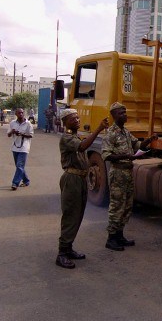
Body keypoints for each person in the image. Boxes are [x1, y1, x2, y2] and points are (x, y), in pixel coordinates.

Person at [55, 109, 109, 269]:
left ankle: (69, 247)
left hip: (80, 179)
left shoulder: (74, 136)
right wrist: (98, 129)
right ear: (65, 122)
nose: (77, 120)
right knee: (70, 215)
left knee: (77, 216)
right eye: (73, 118)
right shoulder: (66, 138)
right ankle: (62, 253)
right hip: (72, 180)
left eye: (78, 117)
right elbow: (83, 147)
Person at [102, 102, 158, 251]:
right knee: (117, 206)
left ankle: (120, 235)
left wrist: (148, 140)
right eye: (121, 113)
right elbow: (106, 155)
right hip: (118, 173)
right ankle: (111, 238)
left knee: (127, 206)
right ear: (114, 115)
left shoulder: (125, 132)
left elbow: (137, 145)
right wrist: (125, 156)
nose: (125, 115)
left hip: (128, 172)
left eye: (125, 112)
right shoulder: (111, 133)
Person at [7, 108, 34, 190]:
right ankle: (26, 181)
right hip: (15, 147)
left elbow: (31, 135)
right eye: (19, 113)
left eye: (22, 112)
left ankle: (15, 183)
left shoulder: (28, 124)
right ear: (16, 114)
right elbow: (8, 135)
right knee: (19, 166)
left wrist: (22, 134)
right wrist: (12, 132)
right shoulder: (12, 123)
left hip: (24, 147)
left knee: (19, 165)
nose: (21, 114)